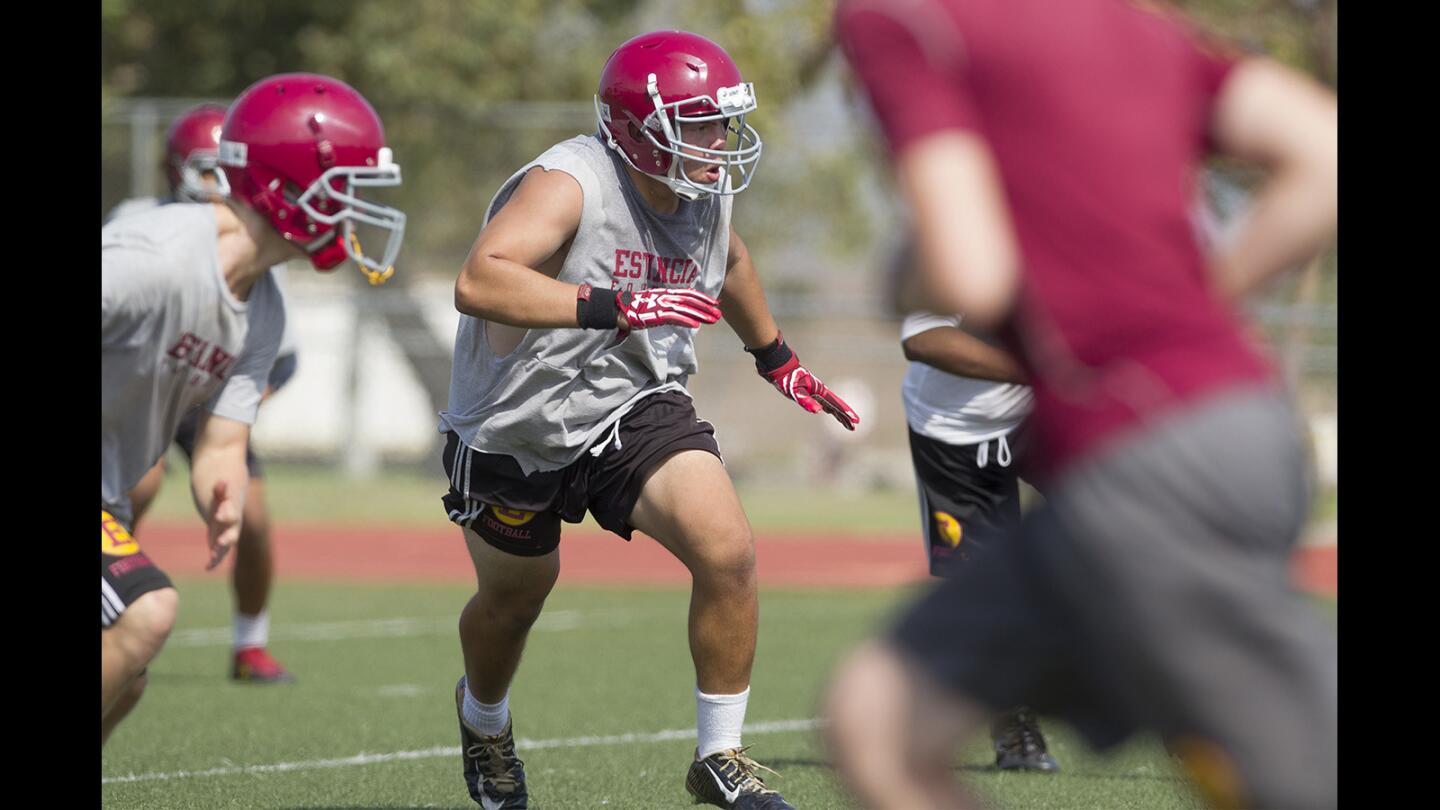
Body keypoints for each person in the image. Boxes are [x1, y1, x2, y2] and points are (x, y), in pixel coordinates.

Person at [827, 2, 1338, 808]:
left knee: (1297, 779)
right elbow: (1323, 152)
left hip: (1150, 461)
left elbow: (972, 274)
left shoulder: (904, 19)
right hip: (1233, 425)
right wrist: (1207, 304)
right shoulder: (1131, 23)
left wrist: (906, 271)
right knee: (879, 722)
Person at [438, 30, 858, 810]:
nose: (717, 142)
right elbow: (480, 279)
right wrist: (613, 306)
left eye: (720, 122)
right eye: (698, 122)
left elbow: (730, 261)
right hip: (515, 424)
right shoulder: (573, 182)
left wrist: (778, 358)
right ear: (635, 127)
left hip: (635, 402)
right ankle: (484, 717)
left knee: (727, 551)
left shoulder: (705, 188)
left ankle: (719, 756)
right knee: (515, 600)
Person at [102, 73, 406, 746]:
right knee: (146, 613)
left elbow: (221, 442)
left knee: (127, 675)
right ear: (290, 183)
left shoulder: (261, 304)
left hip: (109, 499)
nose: (355, 211)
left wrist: (224, 493)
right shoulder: (152, 257)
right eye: (347, 189)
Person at [111, 102, 303, 684]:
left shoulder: (258, 266)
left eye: (227, 170)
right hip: (134, 386)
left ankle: (250, 642)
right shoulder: (153, 240)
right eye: (204, 169)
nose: (217, 184)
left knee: (252, 510)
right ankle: (118, 588)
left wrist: (224, 475)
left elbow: (275, 362)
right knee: (138, 484)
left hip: (204, 389)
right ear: (175, 170)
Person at [898, 301, 1058, 772]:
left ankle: (1184, 713)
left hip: (1046, 414)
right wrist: (1040, 369)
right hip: (956, 430)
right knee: (985, 594)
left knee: (1131, 540)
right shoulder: (966, 235)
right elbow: (923, 338)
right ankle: (1012, 725)